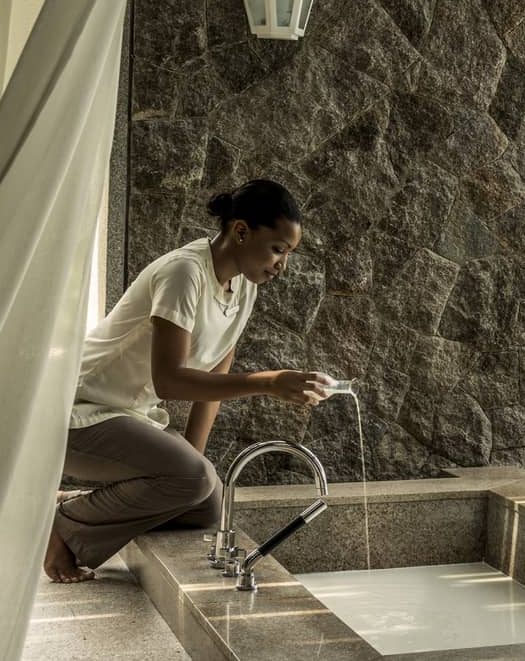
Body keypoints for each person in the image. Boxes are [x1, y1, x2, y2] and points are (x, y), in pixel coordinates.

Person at [43, 179, 323, 583]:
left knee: (206, 504)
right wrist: (266, 382)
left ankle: (75, 503)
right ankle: (63, 525)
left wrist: (193, 464)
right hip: (77, 410)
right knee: (194, 480)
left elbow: (217, 374)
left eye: (288, 253)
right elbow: (170, 381)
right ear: (241, 231)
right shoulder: (184, 273)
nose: (282, 264)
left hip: (129, 416)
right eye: (278, 249)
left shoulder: (243, 287)